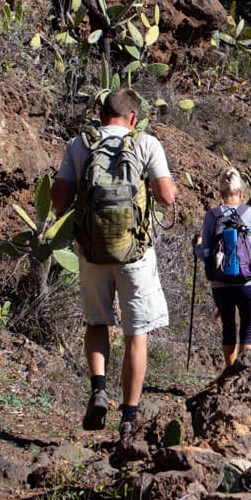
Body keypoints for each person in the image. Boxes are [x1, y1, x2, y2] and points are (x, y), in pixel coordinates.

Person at [50, 87, 177, 440]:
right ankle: (129, 417)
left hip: (91, 252)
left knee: (96, 321)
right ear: (133, 118)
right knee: (136, 335)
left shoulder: (80, 144)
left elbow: (59, 201)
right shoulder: (146, 144)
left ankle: (99, 390)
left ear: (102, 114)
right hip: (135, 254)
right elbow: (166, 197)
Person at [194, 168, 251, 371]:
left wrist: (197, 246)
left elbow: (206, 252)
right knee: (248, 328)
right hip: (250, 282)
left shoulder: (212, 216)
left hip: (221, 283)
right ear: (241, 193)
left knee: (228, 327)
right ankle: (245, 375)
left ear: (220, 194)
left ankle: (229, 373)